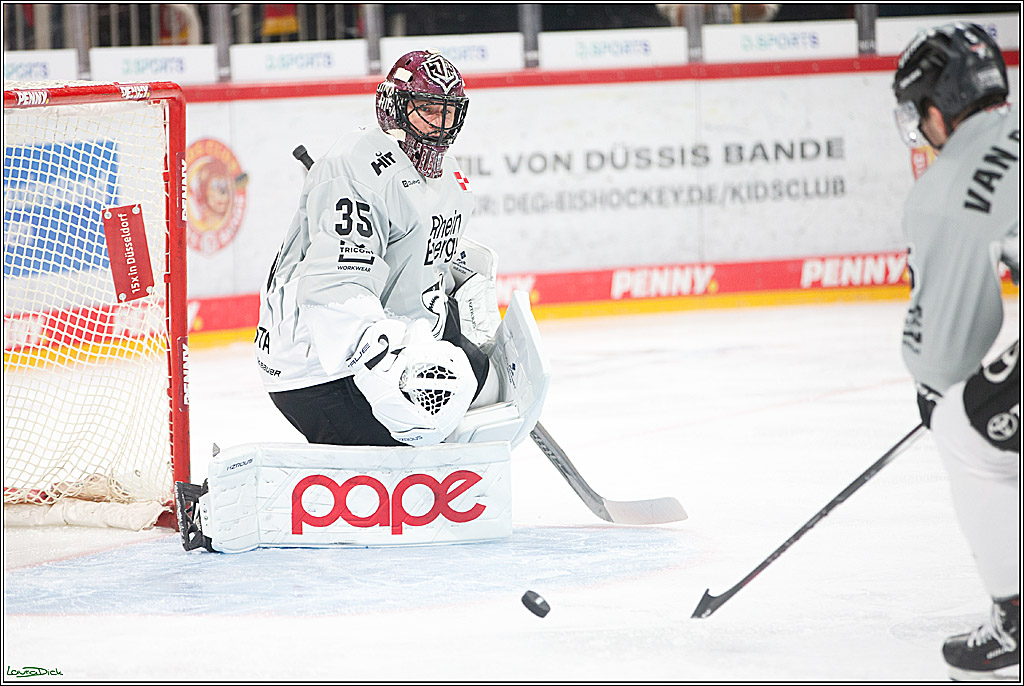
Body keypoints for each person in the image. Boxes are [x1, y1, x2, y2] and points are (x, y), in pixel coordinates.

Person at [254, 49, 501, 448]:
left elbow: (421, 251)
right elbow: (337, 285)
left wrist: (456, 285)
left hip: (397, 331)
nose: (440, 126)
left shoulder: (447, 177)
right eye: (427, 110)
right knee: (432, 403)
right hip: (318, 368)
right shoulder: (352, 168)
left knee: (483, 379)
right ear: (395, 107)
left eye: (448, 112)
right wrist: (391, 364)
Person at [892, 22, 1019, 681]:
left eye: (919, 112)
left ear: (939, 107)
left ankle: (1014, 618)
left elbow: (943, 353)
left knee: (967, 430)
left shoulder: (947, 189)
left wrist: (935, 395)